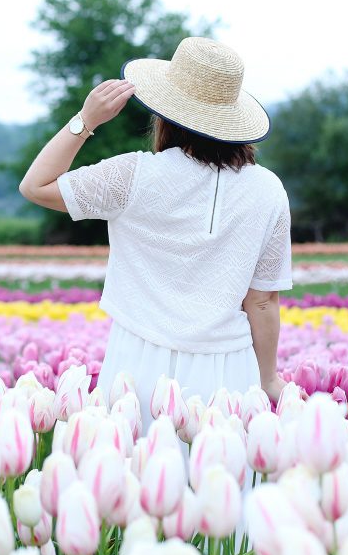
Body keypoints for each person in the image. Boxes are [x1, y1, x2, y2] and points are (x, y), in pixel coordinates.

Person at [18, 36, 293, 440]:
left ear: (165, 113)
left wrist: (85, 120)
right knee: (216, 490)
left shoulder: (134, 176)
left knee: (134, 489)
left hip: (137, 365)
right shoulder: (269, 190)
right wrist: (267, 378)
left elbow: (35, 186)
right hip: (228, 370)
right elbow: (263, 299)